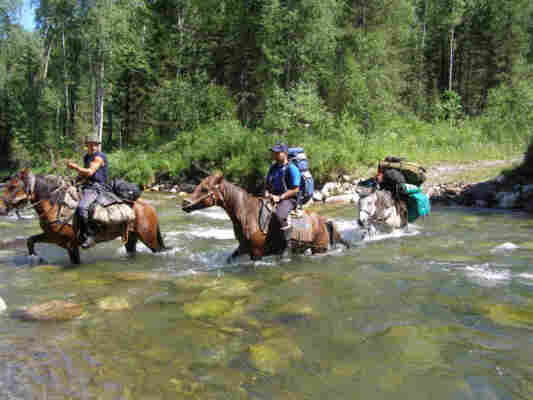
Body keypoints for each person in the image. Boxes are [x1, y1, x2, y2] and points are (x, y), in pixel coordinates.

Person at [66, 133, 108, 248]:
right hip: (86, 185)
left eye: (95, 145)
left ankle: (89, 235)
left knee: (81, 207)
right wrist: (74, 180)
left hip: (97, 187)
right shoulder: (86, 157)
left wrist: (75, 167)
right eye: (90, 145)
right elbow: (84, 175)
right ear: (87, 146)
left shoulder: (99, 157)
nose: (93, 147)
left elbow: (90, 172)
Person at [264, 142, 301, 258]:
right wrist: (266, 192)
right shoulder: (273, 167)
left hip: (289, 199)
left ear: (285, 153)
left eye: (277, 152)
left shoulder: (292, 168)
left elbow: (295, 189)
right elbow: (267, 184)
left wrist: (280, 197)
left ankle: (287, 244)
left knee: (279, 215)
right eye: (273, 152)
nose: (274, 154)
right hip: (272, 197)